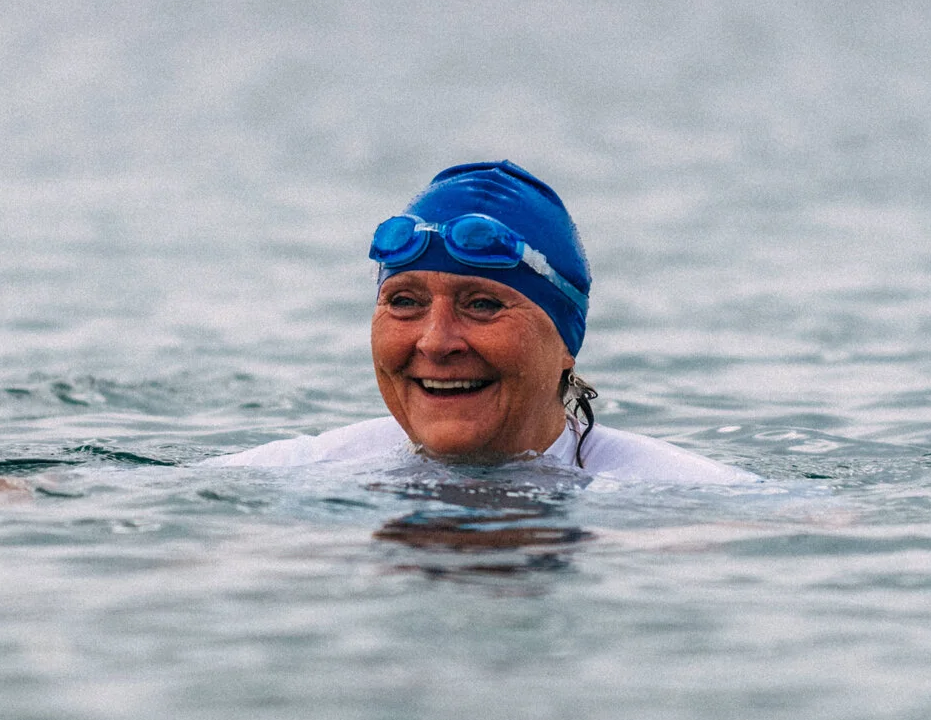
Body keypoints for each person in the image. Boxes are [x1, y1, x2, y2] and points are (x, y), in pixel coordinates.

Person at [209, 160, 753, 483]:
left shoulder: (679, 496)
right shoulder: (290, 477)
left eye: (483, 305)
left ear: (567, 340)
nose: (436, 341)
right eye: (403, 302)